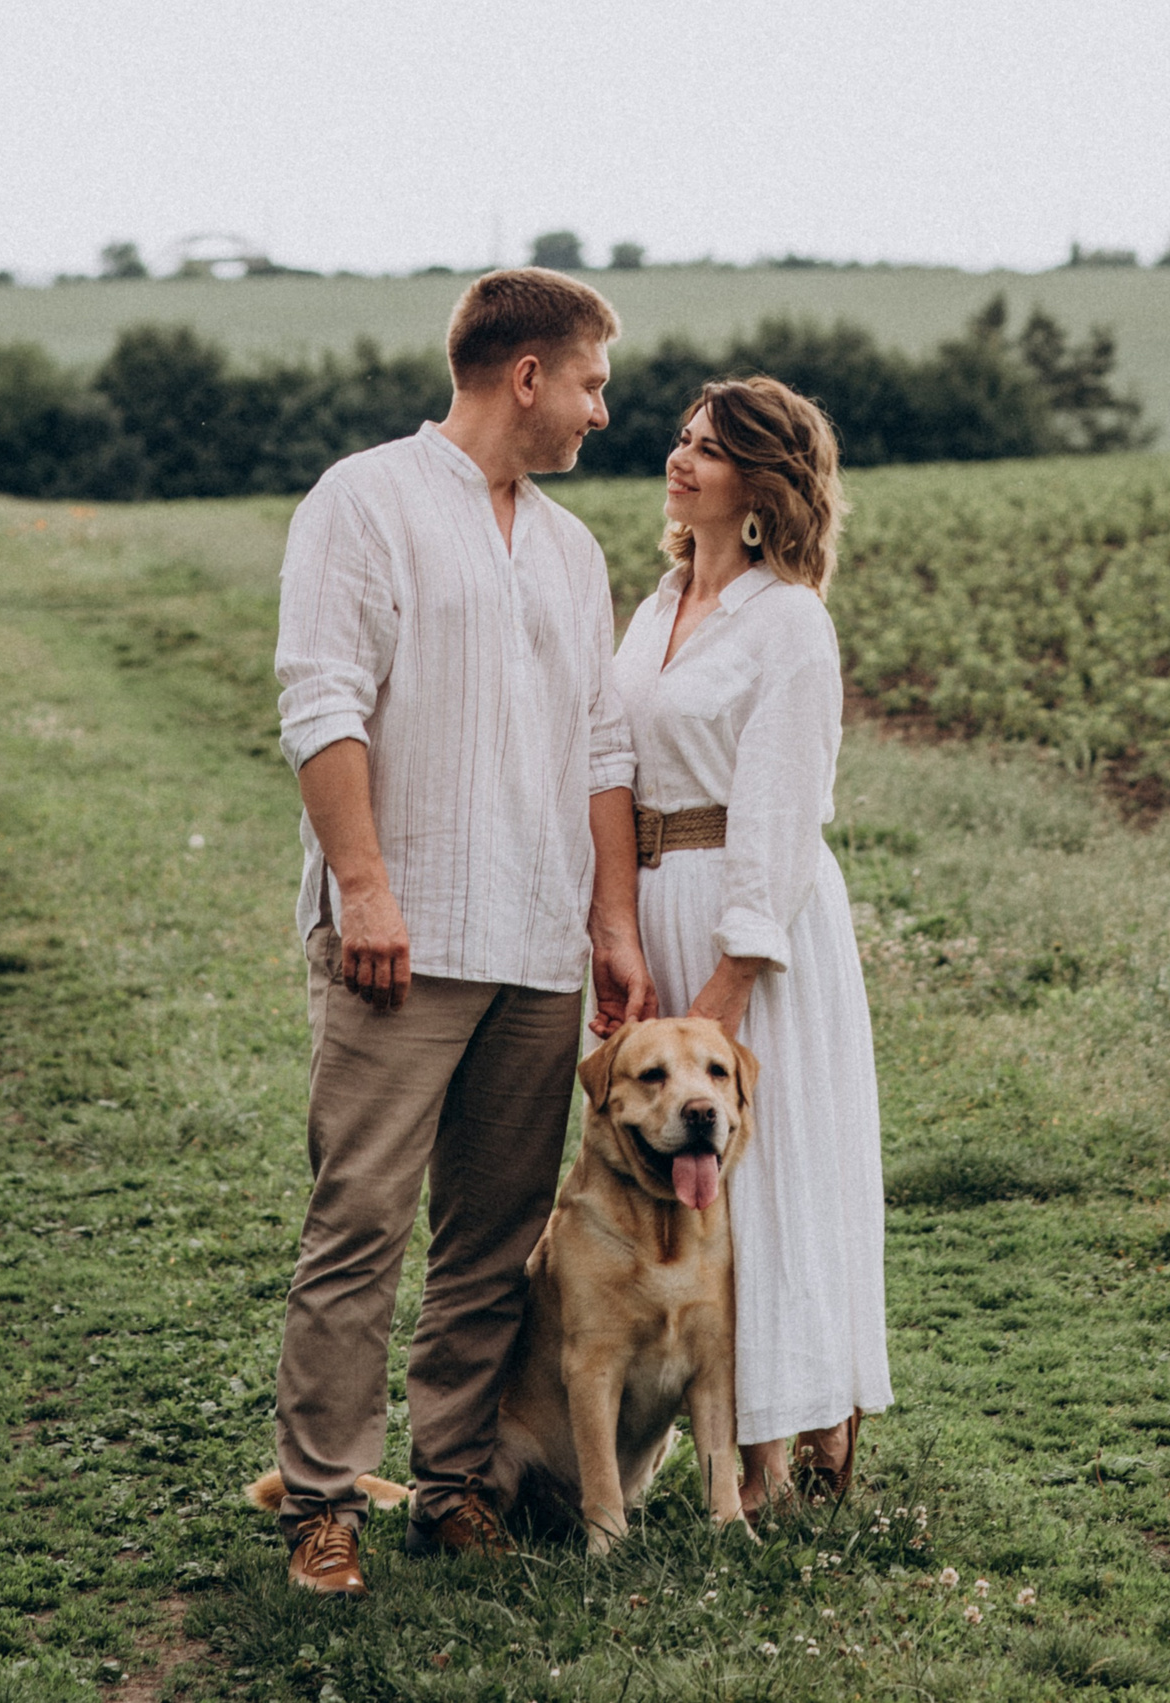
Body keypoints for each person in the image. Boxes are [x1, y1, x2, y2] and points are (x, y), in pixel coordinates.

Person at [268, 268, 655, 1597]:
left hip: (540, 940)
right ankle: (322, 1498)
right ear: (528, 374)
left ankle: (456, 1484)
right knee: (361, 1217)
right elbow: (321, 701)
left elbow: (602, 745)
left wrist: (611, 916)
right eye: (595, 382)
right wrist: (363, 885)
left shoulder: (570, 548)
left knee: (492, 1237)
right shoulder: (363, 501)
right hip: (404, 934)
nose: (607, 413)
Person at [613, 377, 893, 1510]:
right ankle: (716, 1431)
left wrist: (729, 977)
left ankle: (789, 1442)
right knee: (679, 1178)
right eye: (681, 439)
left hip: (752, 911)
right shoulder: (656, 604)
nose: (681, 460)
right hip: (653, 893)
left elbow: (782, 807)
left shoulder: (788, 620)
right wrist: (615, 927)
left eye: (711, 449)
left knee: (764, 1173)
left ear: (764, 487)